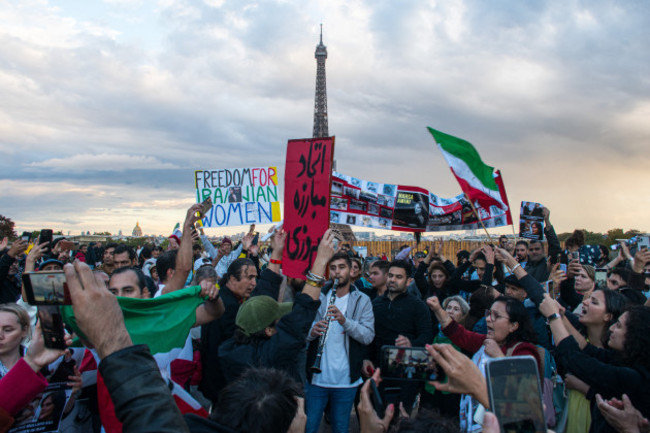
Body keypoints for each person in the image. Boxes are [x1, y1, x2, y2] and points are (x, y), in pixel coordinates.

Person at [428, 293, 541, 432]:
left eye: (496, 316)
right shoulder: (486, 342)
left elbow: (521, 397)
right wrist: (438, 309)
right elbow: (459, 334)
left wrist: (499, 356)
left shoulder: (524, 351)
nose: (488, 320)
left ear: (513, 326)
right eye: (489, 314)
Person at [199, 230, 285, 405]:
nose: (254, 283)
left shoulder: (227, 298)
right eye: (249, 278)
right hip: (225, 387)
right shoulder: (228, 307)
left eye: (255, 277)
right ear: (232, 278)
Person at [539, 298, 650, 433]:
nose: (611, 328)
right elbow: (586, 349)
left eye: (619, 326)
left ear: (635, 336)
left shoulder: (635, 377)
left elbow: (575, 360)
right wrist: (561, 317)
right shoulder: (621, 359)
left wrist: (553, 317)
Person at [304, 251, 374, 433]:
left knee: (341, 428)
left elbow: (368, 336)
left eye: (342, 267)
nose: (337, 272)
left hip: (346, 381)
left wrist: (345, 321)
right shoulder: (317, 296)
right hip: (317, 378)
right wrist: (311, 331)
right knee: (309, 426)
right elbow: (300, 332)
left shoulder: (363, 300)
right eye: (333, 268)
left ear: (351, 271)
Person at [364, 260, 433, 412]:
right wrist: (365, 358)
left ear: (408, 281)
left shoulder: (418, 306)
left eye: (398, 277)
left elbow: (427, 336)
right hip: (379, 371)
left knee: (402, 418)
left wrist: (411, 344)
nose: (392, 280)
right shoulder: (374, 304)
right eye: (390, 275)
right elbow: (368, 336)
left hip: (406, 372)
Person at [420, 295, 469, 419]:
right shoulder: (433, 332)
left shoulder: (466, 339)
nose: (451, 311)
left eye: (456, 309)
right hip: (430, 388)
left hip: (451, 391)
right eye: (448, 307)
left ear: (463, 316)